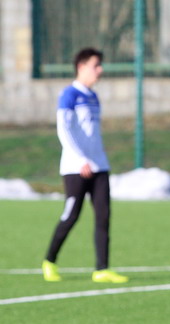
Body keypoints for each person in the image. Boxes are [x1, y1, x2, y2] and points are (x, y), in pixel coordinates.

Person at [42, 48, 128, 284]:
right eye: (95, 65)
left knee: (103, 216)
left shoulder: (93, 96)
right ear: (81, 67)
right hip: (75, 168)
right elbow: (64, 130)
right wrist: (80, 159)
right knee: (71, 215)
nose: (100, 70)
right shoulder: (69, 94)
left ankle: (102, 269)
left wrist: (98, 158)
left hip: (99, 166)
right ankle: (49, 261)